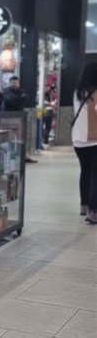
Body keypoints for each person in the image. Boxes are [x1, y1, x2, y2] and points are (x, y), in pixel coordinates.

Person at [72, 62, 97, 223]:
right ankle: (93, 211)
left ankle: (84, 205)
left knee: (85, 172)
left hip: (78, 140)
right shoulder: (96, 93)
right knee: (95, 175)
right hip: (94, 140)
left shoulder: (77, 92)